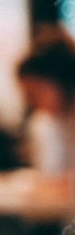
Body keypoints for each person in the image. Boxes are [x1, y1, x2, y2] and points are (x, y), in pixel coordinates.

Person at [16, 28, 75, 176]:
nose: (30, 102)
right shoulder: (43, 123)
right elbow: (48, 175)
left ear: (62, 81)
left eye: (34, 93)